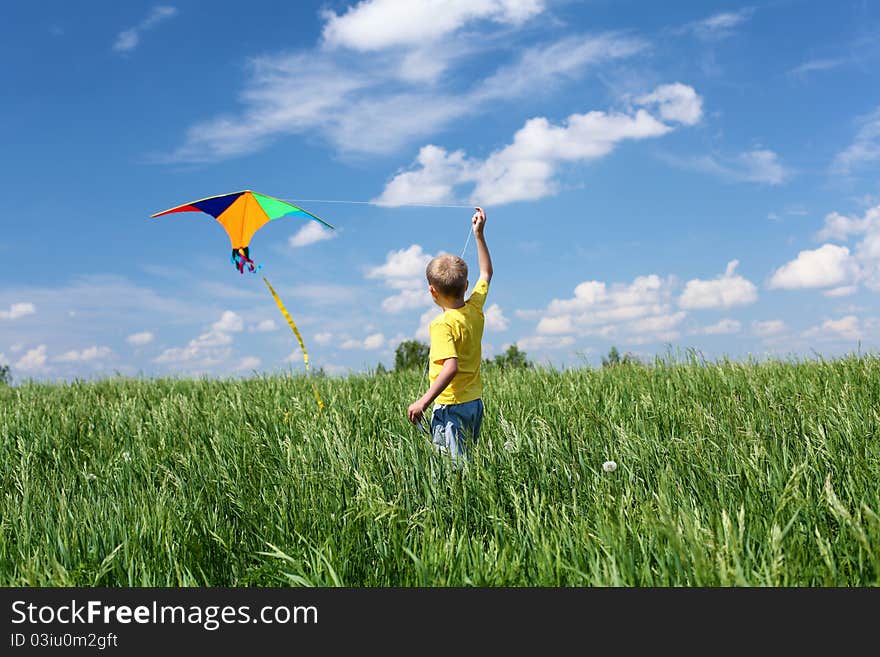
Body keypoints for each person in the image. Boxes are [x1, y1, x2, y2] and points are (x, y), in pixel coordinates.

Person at [407, 207, 493, 460]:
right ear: (466, 285)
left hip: (451, 408)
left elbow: (450, 367)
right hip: (474, 404)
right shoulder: (475, 307)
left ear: (432, 291)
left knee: (451, 473)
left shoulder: (442, 325)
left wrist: (423, 402)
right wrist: (479, 235)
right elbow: (486, 273)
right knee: (466, 463)